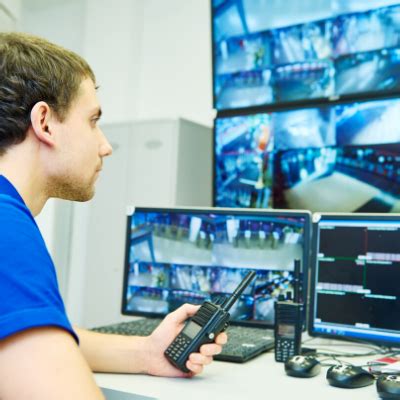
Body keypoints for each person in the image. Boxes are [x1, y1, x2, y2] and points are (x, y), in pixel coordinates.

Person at [0, 32, 227, 400]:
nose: (105, 146)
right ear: (45, 122)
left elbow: (33, 331)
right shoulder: (7, 232)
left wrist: (147, 352)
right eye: (92, 121)